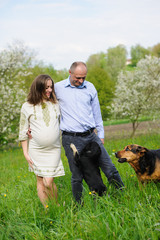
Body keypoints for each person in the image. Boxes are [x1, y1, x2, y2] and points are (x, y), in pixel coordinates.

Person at [54, 61, 124, 204]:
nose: (81, 81)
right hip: (71, 138)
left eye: (83, 78)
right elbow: (43, 105)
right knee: (77, 175)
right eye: (77, 78)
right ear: (70, 72)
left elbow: (97, 113)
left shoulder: (90, 87)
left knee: (110, 168)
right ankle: (79, 205)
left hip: (91, 136)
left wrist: (101, 135)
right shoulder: (58, 88)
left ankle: (122, 197)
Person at [19, 74, 65, 207]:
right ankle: (47, 208)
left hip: (54, 149)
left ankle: (55, 205)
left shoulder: (56, 104)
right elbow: (23, 131)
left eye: (51, 87)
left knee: (48, 181)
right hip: (36, 150)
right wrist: (25, 153)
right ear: (38, 88)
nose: (49, 90)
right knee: (40, 180)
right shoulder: (27, 106)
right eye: (46, 88)